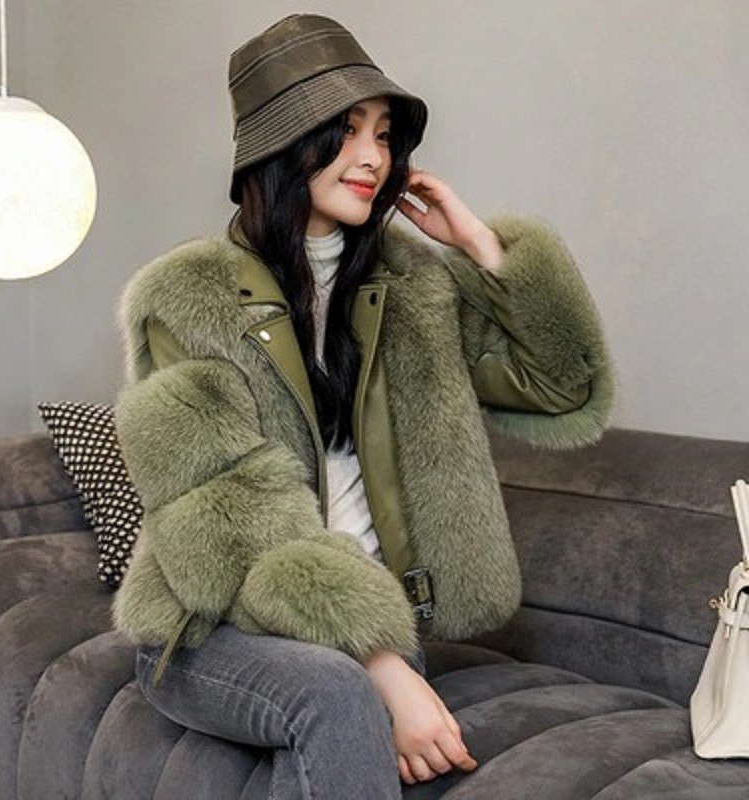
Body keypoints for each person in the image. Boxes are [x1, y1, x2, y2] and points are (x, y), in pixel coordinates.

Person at [111, 13, 614, 799]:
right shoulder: (187, 299)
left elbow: (562, 389)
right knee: (335, 692)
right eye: (346, 131)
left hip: (368, 623)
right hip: (215, 628)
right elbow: (229, 525)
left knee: (338, 700)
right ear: (285, 143)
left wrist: (480, 248)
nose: (375, 157)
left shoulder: (412, 284)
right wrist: (381, 662)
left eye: (384, 134)